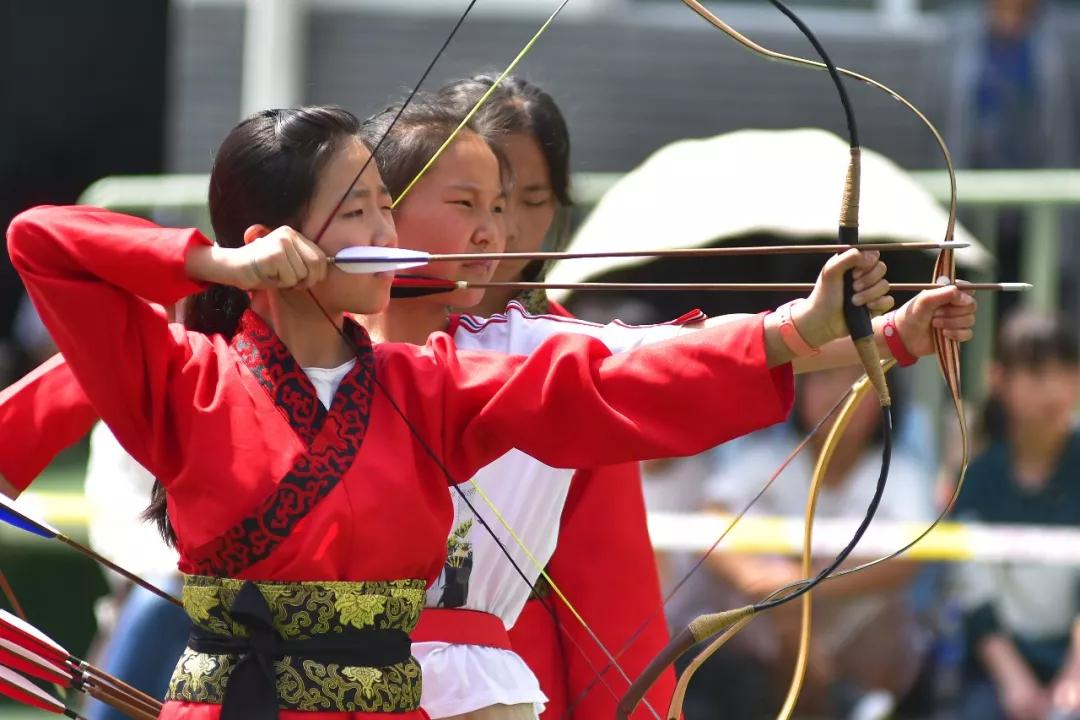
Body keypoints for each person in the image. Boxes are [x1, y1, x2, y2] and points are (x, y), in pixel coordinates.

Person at [5, 103, 869, 719]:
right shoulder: (181, 376)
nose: (389, 225)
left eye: (386, 200)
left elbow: (600, 382)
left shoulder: (429, 384)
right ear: (280, 237)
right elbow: (40, 240)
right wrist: (213, 266)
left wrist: (797, 330)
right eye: (360, 209)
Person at [702, 365, 934, 717]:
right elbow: (710, 524)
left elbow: (906, 561)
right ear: (800, 389)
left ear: (885, 399)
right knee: (785, 616)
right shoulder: (766, 462)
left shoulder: (901, 475)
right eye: (824, 377)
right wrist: (757, 577)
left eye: (859, 381)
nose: (840, 393)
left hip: (869, 645)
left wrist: (803, 586)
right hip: (762, 652)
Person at [952, 310, 1080, 720]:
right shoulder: (976, 479)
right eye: (1037, 372)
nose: (1055, 388)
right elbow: (973, 592)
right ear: (999, 380)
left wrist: (1074, 676)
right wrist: (1013, 679)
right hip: (993, 675)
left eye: (1067, 371)